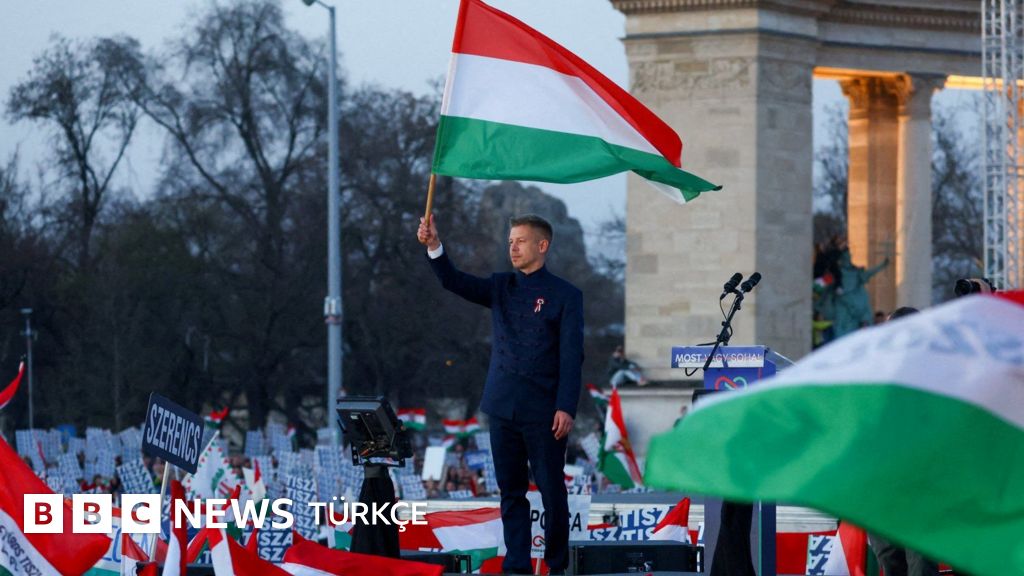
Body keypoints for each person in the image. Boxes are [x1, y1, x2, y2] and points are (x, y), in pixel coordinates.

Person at [417, 212, 583, 575]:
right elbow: (453, 281)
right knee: (511, 493)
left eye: (520, 241)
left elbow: (573, 357)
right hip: (502, 407)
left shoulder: (567, 295)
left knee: (553, 494)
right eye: (510, 242)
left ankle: (557, 565)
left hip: (545, 413)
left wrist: (566, 407)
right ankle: (517, 567)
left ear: (542, 245)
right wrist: (434, 247)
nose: (513, 247)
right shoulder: (501, 286)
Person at [866, 306, 939, 576]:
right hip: (881, 487)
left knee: (920, 566)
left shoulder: (937, 374)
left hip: (921, 487)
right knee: (890, 561)